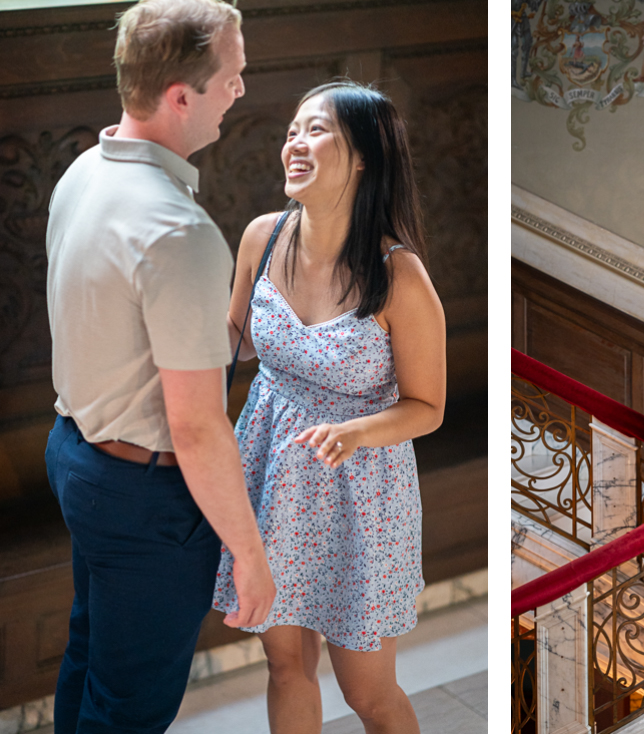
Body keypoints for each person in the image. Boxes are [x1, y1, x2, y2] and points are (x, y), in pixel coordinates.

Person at [44, 1, 276, 732]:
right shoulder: (178, 232)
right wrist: (249, 552)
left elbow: (126, 332)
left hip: (77, 454)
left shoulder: (84, 170)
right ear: (181, 96)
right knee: (131, 709)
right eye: (231, 78)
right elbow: (199, 425)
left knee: (90, 662)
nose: (241, 89)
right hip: (145, 495)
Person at [211, 81, 446, 734]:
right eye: (291, 130)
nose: (294, 142)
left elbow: (427, 407)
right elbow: (233, 335)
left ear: (365, 154)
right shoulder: (262, 237)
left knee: (368, 691)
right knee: (285, 665)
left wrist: (357, 430)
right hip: (270, 468)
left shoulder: (399, 276)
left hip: (359, 489)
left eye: (314, 129)